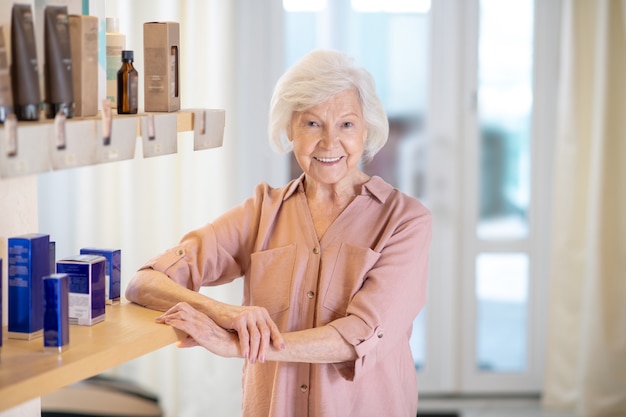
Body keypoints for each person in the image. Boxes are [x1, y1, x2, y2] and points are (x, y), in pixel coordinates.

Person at [125, 49, 432, 417]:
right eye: (312, 124)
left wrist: (241, 346)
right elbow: (144, 283)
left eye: (346, 125)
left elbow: (359, 336)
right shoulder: (261, 212)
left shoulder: (405, 221)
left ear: (366, 130)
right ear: (290, 130)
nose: (329, 142)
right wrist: (228, 314)